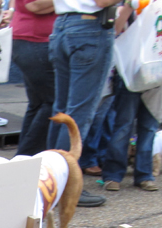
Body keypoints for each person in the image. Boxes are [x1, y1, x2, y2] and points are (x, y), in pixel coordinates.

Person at [100, 0, 162, 193]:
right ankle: (113, 174)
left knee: (149, 125)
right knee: (123, 124)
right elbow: (116, 28)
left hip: (159, 71)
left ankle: (144, 174)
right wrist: (129, 6)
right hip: (130, 69)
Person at [47, 0, 120, 207]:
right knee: (78, 112)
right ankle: (62, 185)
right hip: (89, 25)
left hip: (62, 24)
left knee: (62, 110)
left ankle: (50, 180)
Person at [10, 0, 56, 156]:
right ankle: (27, 159)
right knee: (53, 102)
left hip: (34, 41)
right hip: (34, 41)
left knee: (38, 104)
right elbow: (35, 5)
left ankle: (24, 159)